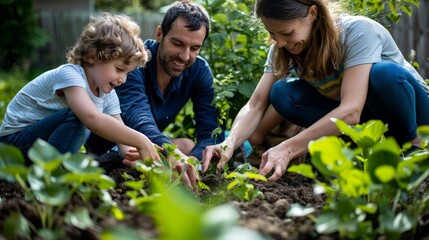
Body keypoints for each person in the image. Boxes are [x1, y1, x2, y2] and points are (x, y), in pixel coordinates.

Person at [202, 0, 429, 181]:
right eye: (273, 34)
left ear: (312, 13)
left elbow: (350, 111)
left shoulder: (357, 31)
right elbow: (255, 104)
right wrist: (229, 143)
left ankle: (414, 150)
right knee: (283, 93)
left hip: (415, 116)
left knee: (383, 74)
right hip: (369, 122)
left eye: (287, 32)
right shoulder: (283, 49)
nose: (280, 42)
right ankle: (353, 158)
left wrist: (288, 148)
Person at [84, 0, 223, 187]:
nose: (185, 55)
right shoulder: (133, 62)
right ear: (160, 34)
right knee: (138, 158)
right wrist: (171, 155)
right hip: (112, 146)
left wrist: (193, 164)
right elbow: (138, 118)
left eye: (195, 48)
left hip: (146, 146)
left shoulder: (199, 70)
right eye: (177, 43)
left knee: (188, 146)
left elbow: (210, 132)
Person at [0, 12, 160, 166]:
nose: (123, 79)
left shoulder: (107, 94)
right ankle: (58, 177)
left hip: (39, 147)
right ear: (92, 57)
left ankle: (60, 171)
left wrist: (141, 157)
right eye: (119, 69)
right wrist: (141, 140)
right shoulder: (69, 74)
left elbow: (122, 139)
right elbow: (91, 118)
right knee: (77, 116)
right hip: (13, 145)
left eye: (127, 73)